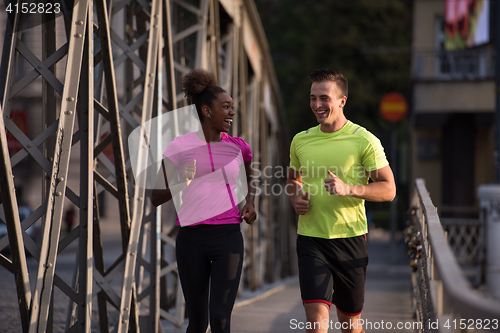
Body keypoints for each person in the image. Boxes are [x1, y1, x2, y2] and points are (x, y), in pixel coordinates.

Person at [286, 69, 396, 333]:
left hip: (351, 239)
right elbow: (293, 181)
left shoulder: (364, 140)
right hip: (311, 239)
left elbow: (388, 190)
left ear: (342, 101)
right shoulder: (301, 140)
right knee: (316, 325)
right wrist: (295, 198)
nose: (317, 105)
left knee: (350, 324)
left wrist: (349, 189)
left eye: (324, 98)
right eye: (313, 98)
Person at [151, 68, 257, 333]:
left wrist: (250, 202)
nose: (232, 113)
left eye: (232, 107)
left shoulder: (239, 146)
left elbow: (250, 176)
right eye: (226, 107)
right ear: (207, 111)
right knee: (197, 323)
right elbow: (155, 198)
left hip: (228, 238)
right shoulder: (179, 147)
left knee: (221, 319)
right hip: (191, 241)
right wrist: (180, 183)